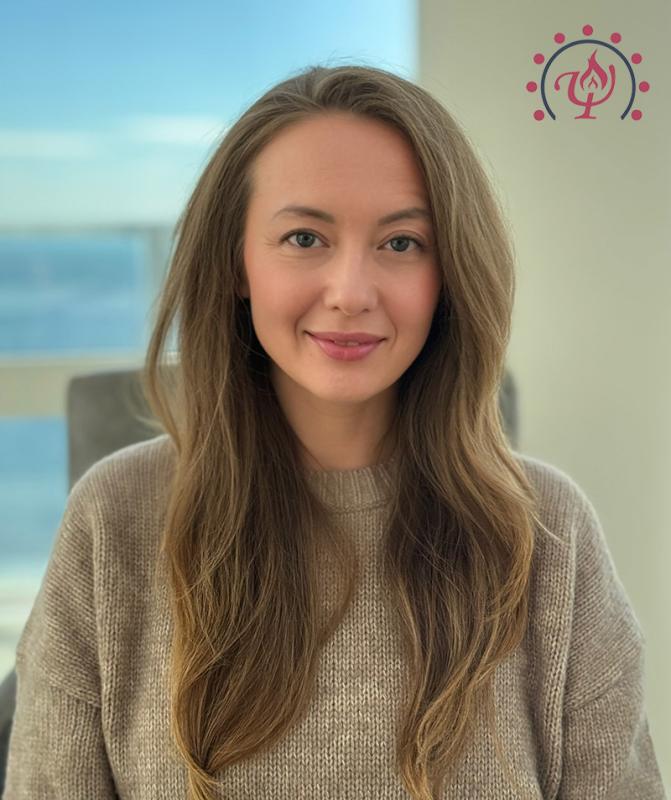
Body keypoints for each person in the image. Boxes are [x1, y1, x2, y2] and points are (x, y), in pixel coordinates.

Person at [4, 63, 666, 800]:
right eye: (303, 237)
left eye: (402, 243)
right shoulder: (112, 520)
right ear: (236, 263)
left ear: (449, 273)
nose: (350, 292)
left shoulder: (549, 535)